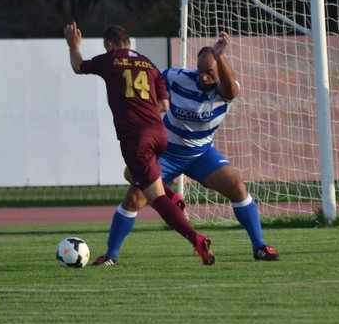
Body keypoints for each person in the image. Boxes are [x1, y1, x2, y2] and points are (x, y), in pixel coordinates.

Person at [92, 31, 280, 266]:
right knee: (134, 198)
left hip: (201, 154)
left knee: (236, 186)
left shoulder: (225, 89)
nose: (203, 76)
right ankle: (110, 255)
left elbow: (230, 88)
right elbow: (150, 81)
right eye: (200, 70)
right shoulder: (177, 77)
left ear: (219, 69)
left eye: (209, 72)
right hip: (166, 154)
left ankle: (259, 246)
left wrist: (220, 56)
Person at [64, 22, 215, 265]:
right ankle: (171, 197)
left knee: (155, 199)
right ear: (129, 42)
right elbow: (164, 105)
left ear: (109, 45)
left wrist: (74, 46)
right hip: (160, 134)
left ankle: (196, 239)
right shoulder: (149, 65)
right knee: (131, 174)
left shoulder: (110, 59)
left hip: (137, 138)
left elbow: (77, 66)